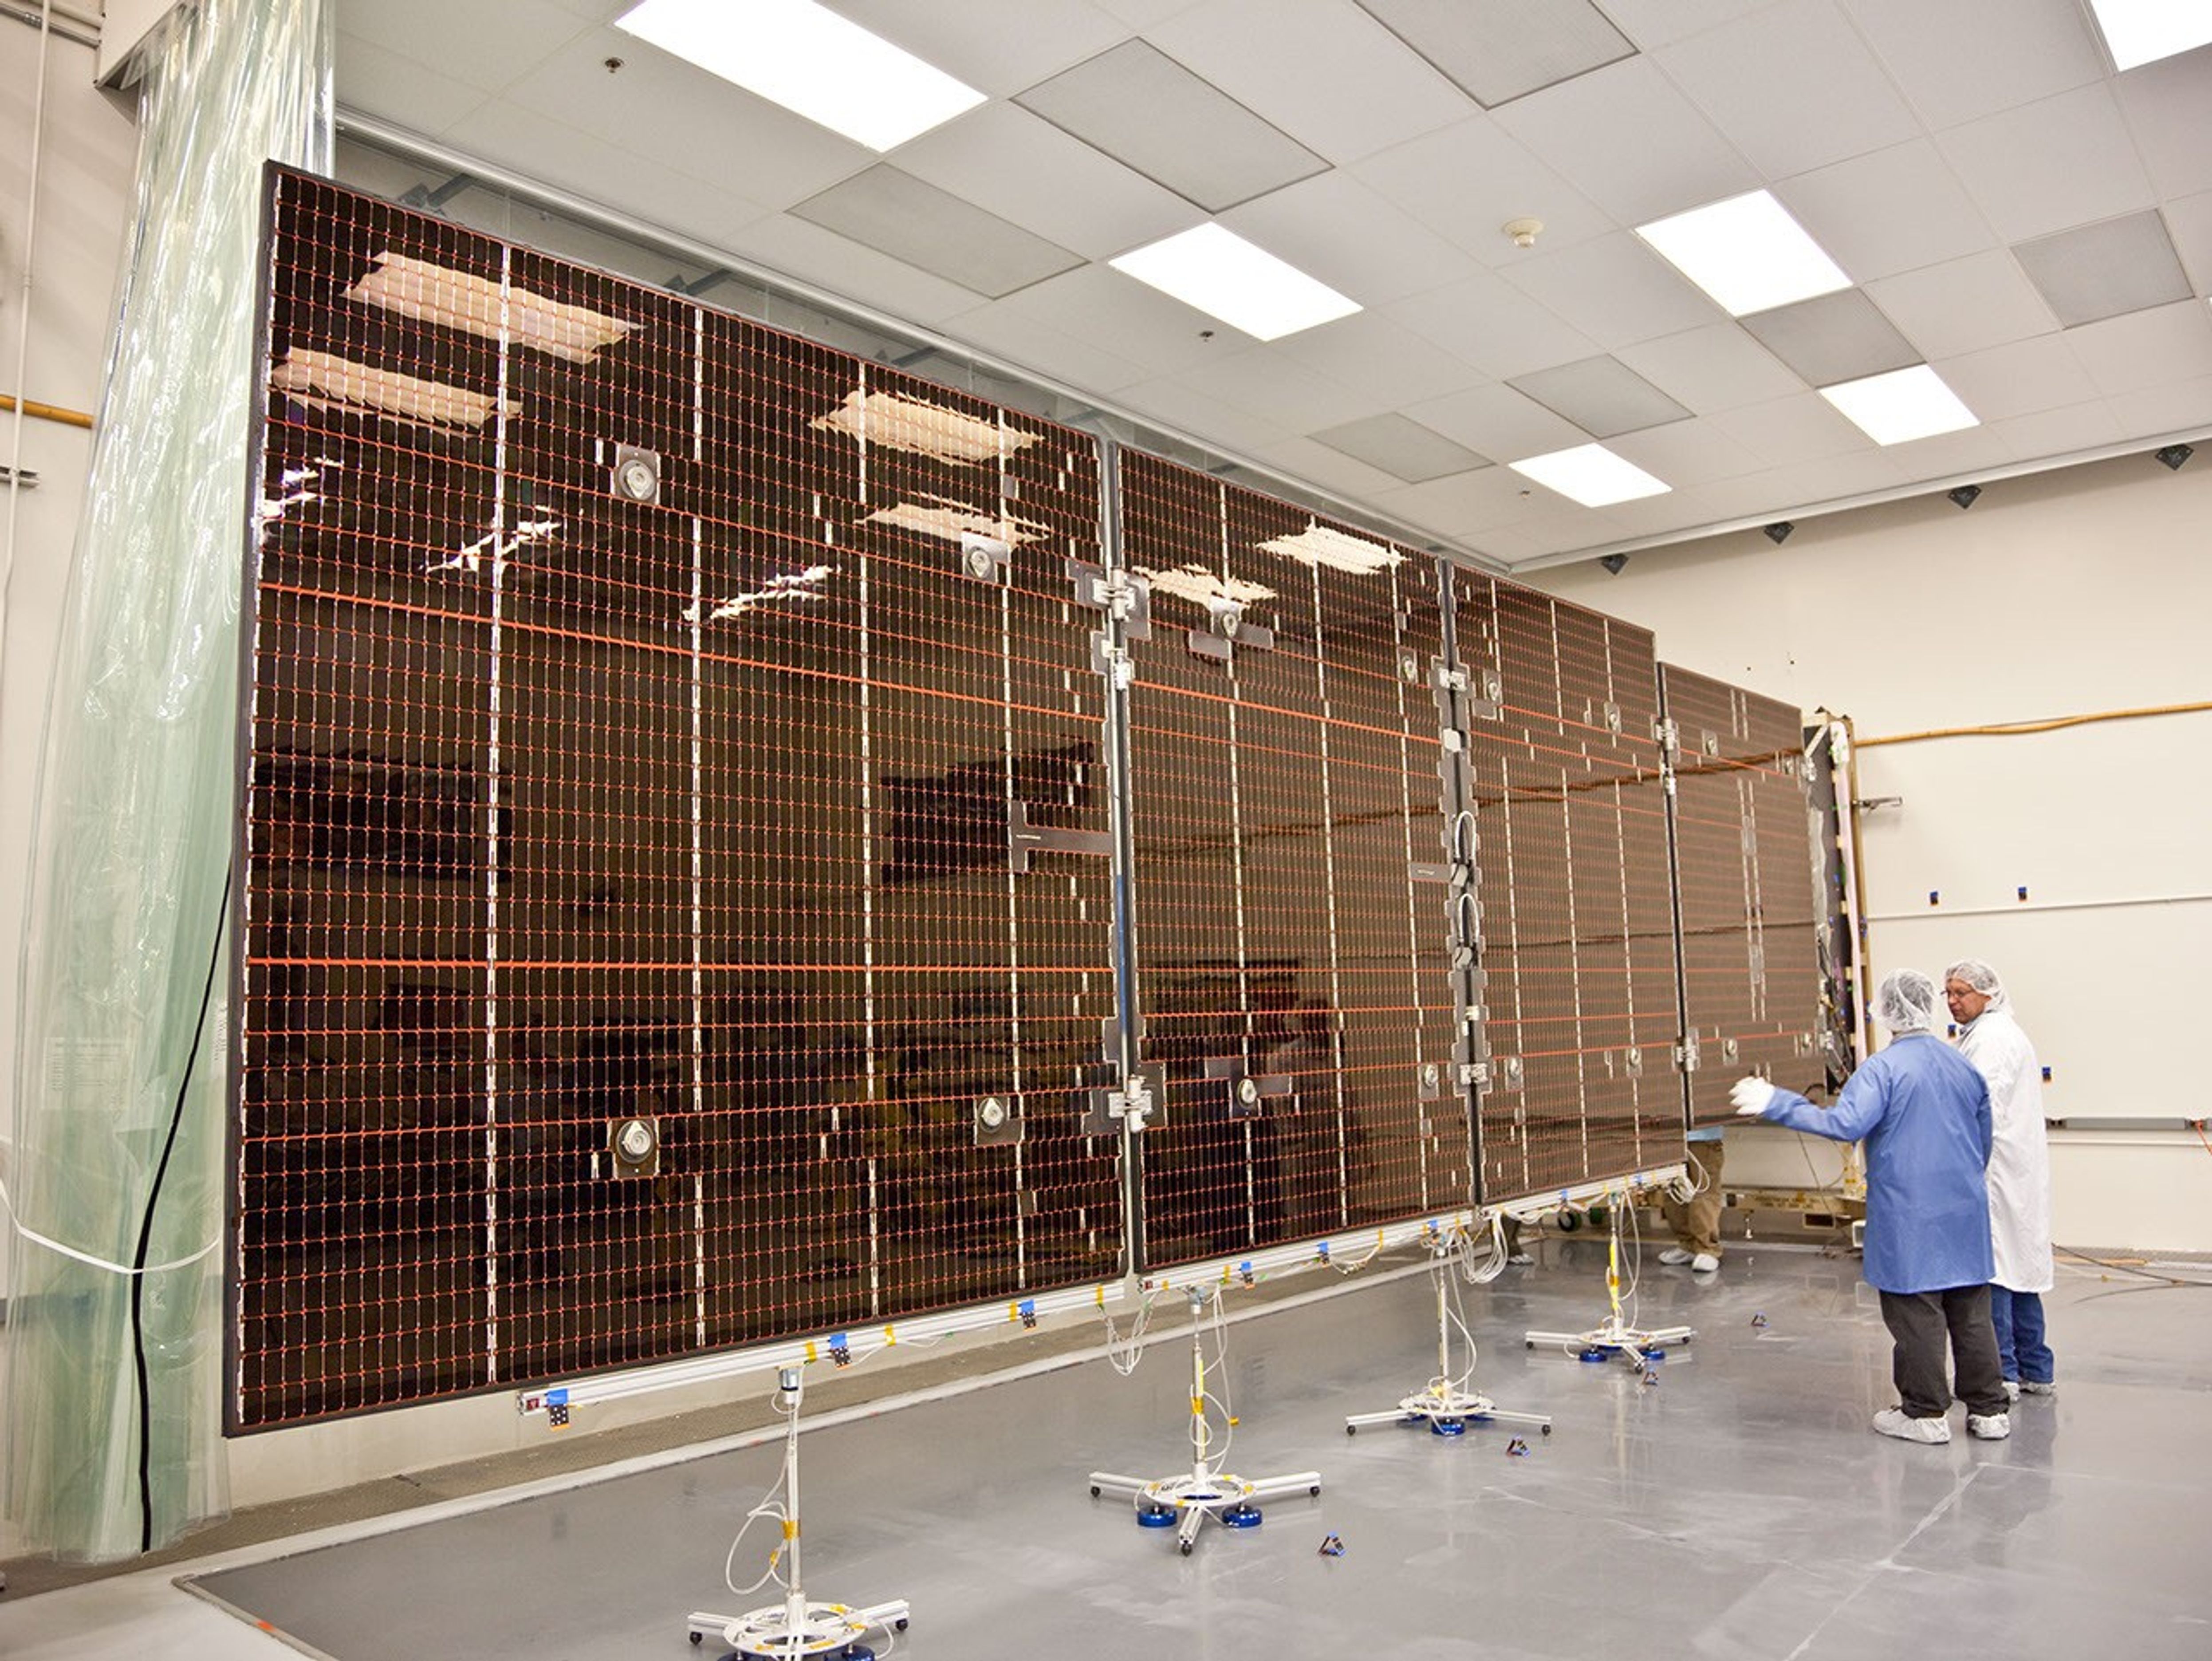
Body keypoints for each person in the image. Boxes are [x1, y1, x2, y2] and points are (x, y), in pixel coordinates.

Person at [1730, 968, 2010, 1445]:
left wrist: (1777, 1102)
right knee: (1971, 1310)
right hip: (1964, 1209)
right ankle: (1988, 1410)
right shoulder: (1962, 1065)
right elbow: (1983, 1143)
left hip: (1910, 1213)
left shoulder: (1884, 1069)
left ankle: (1924, 1413)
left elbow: (1845, 1123)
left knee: (1917, 1310)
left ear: (1888, 1011)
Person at [1945, 958, 2055, 1401]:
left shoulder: (1990, 1039)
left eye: (1961, 992)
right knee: (2021, 1269)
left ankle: (2003, 1374)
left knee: (1998, 1272)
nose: (1953, 1001)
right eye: (1948, 993)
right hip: (2015, 1172)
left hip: (1994, 1172)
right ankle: (2037, 1370)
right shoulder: (2001, 1032)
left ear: (1988, 993)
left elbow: (1980, 1107)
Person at [1657, 1123, 1725, 1272]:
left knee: (1704, 1192)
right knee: (1674, 1191)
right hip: (1671, 1137)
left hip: (1703, 1137)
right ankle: (1688, 1245)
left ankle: (1708, 1249)